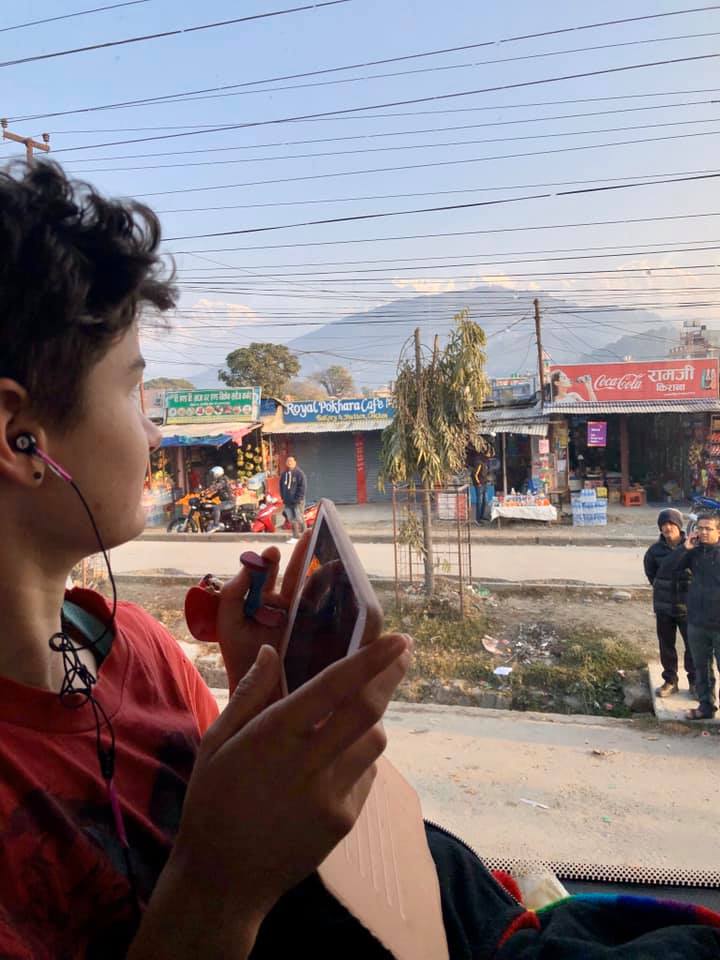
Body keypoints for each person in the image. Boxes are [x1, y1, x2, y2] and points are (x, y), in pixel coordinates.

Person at [3, 161, 720, 959]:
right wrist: (217, 885)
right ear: (18, 436)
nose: (154, 432)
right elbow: (231, 861)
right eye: (133, 392)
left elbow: (264, 824)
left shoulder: (140, 651)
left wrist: (265, 688)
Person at [664, 514, 720, 721]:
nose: (703, 532)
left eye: (709, 528)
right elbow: (667, 569)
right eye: (700, 528)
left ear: (719, 532)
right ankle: (706, 707)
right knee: (701, 668)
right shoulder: (693, 552)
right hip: (697, 621)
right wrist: (684, 549)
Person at [643, 508, 695, 698]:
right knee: (666, 646)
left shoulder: (693, 547)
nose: (667, 527)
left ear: (679, 526)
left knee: (693, 646)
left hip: (689, 607)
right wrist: (663, 589)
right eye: (663, 524)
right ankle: (670, 681)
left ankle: (695, 682)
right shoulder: (654, 551)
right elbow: (652, 575)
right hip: (664, 607)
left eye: (671, 523)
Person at [280, 455, 307, 544]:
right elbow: (281, 486)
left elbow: (302, 488)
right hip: (287, 501)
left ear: (295, 462)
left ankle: (306, 537)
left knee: (299, 518)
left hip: (297, 501)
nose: (289, 462)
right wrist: (283, 497)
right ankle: (295, 537)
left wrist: (298, 499)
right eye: (288, 461)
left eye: (291, 461)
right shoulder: (284, 474)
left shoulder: (299, 474)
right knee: (292, 519)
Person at [206, 465, 234, 531]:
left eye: (213, 474)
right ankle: (212, 522)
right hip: (225, 501)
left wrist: (206, 492)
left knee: (216, 507)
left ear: (217, 473)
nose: (213, 476)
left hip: (229, 502)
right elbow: (219, 492)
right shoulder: (220, 480)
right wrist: (210, 498)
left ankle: (216, 525)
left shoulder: (223, 480)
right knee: (212, 506)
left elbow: (216, 487)